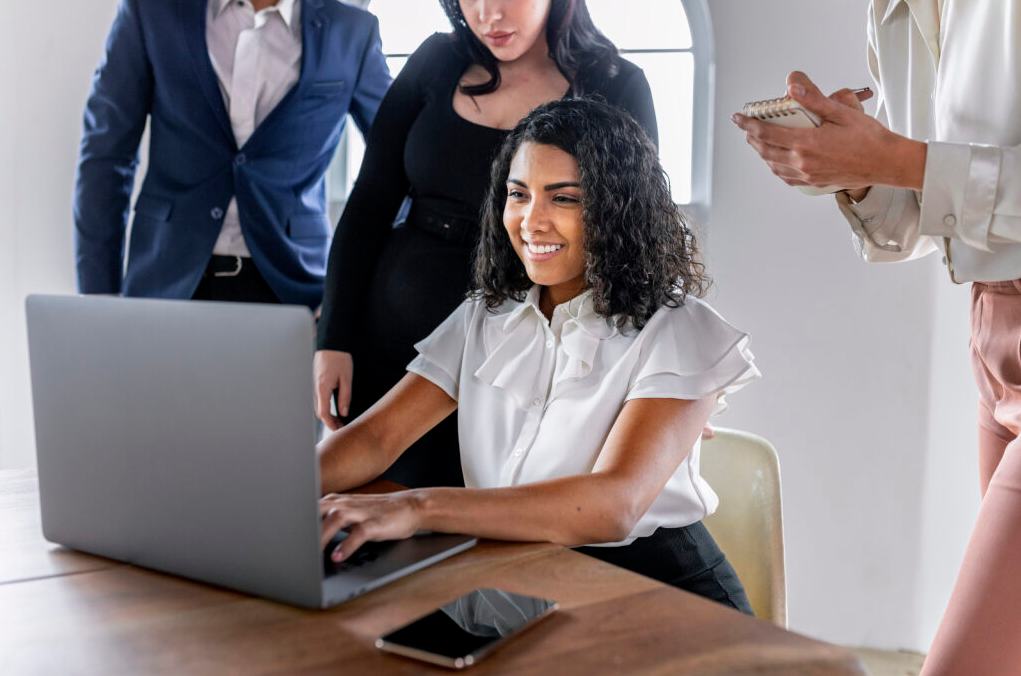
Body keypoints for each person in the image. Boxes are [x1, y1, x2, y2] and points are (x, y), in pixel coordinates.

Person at [316, 98, 757, 612]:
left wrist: (418, 506)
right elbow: (375, 437)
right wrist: (269, 494)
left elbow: (615, 504)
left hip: (659, 597)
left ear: (616, 206)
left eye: (563, 199)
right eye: (518, 194)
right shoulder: (484, 316)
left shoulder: (678, 328)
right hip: (518, 580)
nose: (531, 221)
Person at [733, 1, 1021, 673]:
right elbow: (923, 215)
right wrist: (854, 167)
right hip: (989, 329)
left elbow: (929, 169)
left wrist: (902, 159)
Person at [313, 0, 658, 488]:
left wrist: (660, 379)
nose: (487, 14)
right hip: (388, 345)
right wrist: (333, 338)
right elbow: (369, 201)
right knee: (362, 525)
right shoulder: (436, 59)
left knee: (476, 531)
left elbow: (635, 234)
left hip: (519, 367)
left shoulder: (615, 84)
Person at [74, 0, 391, 307]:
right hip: (165, 280)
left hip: (296, 288)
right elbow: (106, 155)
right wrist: (99, 295)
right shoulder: (152, 9)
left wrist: (366, 300)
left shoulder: (352, 31)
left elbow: (402, 163)